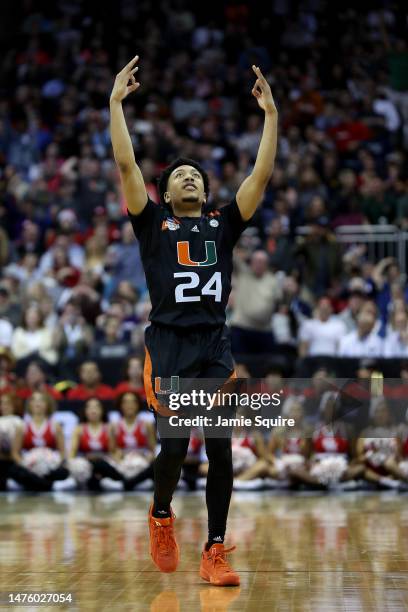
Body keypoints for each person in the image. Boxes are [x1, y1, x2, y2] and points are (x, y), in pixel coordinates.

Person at [110, 55, 277, 585]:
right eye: (179, 175)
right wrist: (115, 104)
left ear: (205, 193)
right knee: (176, 448)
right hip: (170, 343)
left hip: (214, 344)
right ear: (166, 191)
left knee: (221, 446)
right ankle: (161, 513)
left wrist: (271, 117)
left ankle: (214, 549)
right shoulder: (152, 222)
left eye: (196, 176)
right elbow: (126, 167)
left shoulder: (224, 225)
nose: (188, 178)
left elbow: (261, 173)